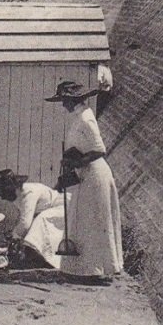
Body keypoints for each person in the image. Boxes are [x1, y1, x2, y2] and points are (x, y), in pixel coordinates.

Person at [46, 81, 122, 282]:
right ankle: (84, 269)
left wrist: (76, 161)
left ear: (72, 100)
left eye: (64, 101)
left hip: (95, 174)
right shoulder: (79, 117)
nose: (63, 105)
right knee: (83, 220)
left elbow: (99, 150)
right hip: (85, 174)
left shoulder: (87, 118)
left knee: (94, 221)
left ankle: (96, 269)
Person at [0, 168, 65, 268]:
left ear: (11, 189)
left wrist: (14, 237)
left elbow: (25, 223)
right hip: (48, 212)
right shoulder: (18, 196)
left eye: (3, 193)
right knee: (36, 225)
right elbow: (24, 216)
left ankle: (41, 259)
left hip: (62, 207)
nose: (3, 198)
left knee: (39, 221)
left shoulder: (29, 193)